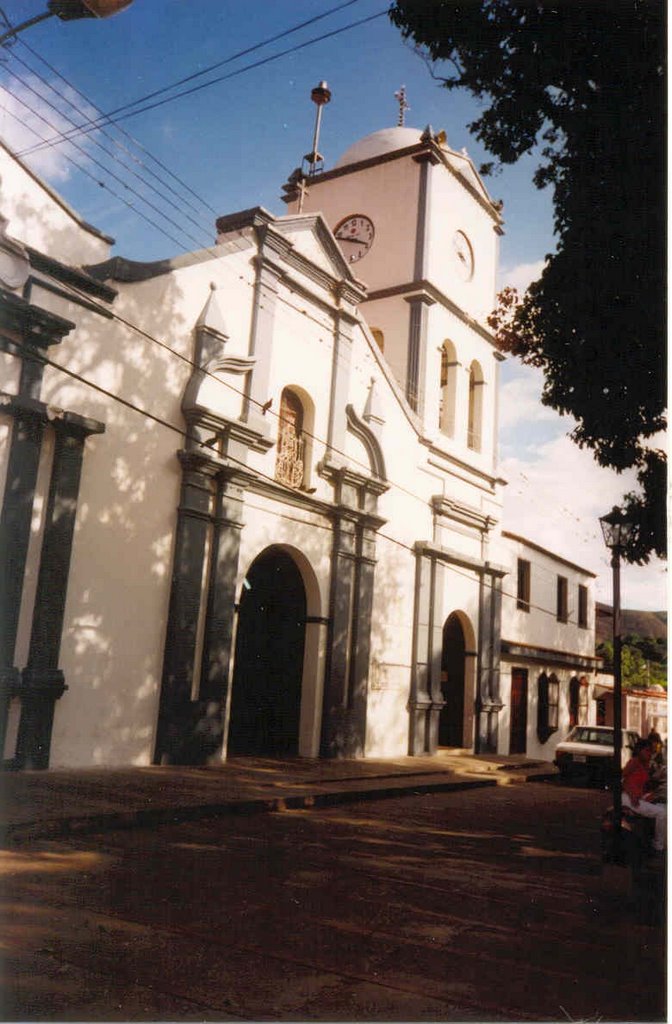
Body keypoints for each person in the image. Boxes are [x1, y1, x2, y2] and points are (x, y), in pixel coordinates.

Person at [622, 739, 666, 854]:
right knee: (662, 813)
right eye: (647, 751)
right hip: (628, 799)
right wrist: (632, 795)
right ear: (639, 751)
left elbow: (642, 783)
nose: (649, 753)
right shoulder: (634, 762)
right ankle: (658, 845)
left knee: (664, 807)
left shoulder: (645, 764)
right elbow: (622, 780)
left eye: (650, 751)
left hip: (637, 797)